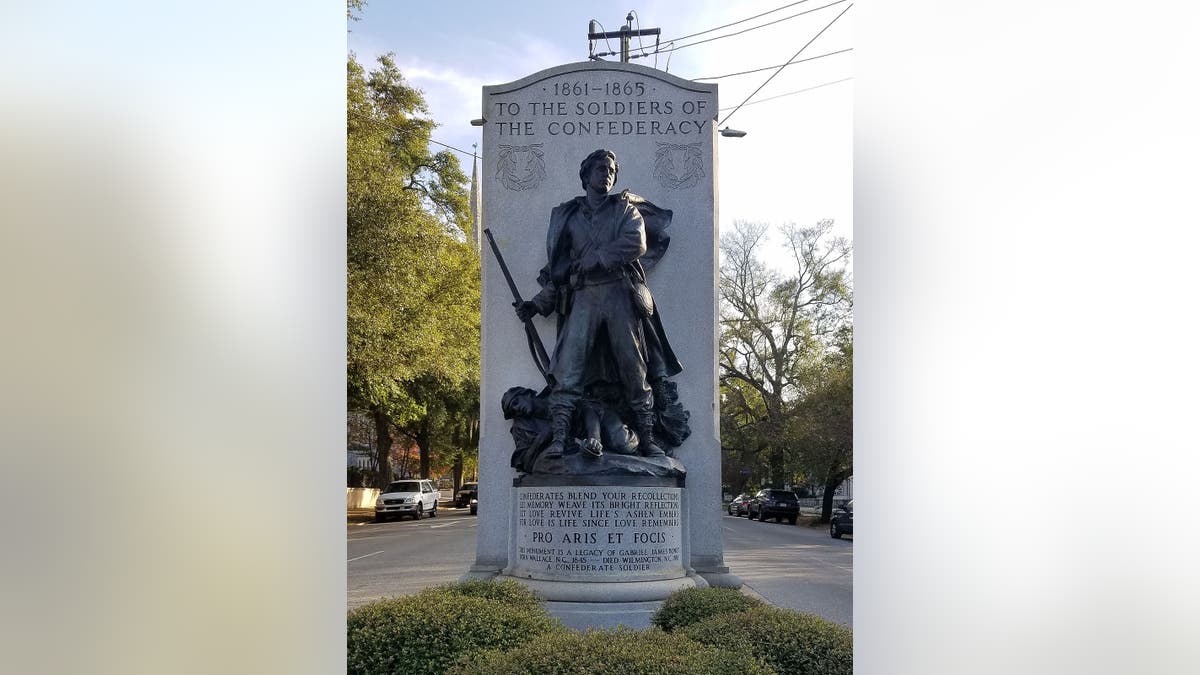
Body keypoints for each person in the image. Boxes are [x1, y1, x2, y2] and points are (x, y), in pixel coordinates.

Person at [515, 148, 681, 462]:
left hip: (619, 293)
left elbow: (637, 243)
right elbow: (561, 271)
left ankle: (646, 439)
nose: (606, 174)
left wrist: (598, 258)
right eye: (600, 168)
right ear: (586, 175)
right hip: (584, 297)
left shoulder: (624, 211)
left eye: (610, 170)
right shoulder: (569, 216)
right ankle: (561, 438)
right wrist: (537, 305)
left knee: (634, 368)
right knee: (569, 369)